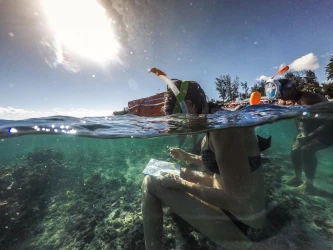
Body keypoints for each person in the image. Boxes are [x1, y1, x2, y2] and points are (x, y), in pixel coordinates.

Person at [142, 80, 266, 250]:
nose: (179, 128)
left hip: (243, 226)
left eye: (178, 120)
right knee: (166, 170)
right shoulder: (214, 121)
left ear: (189, 105)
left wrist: (181, 184)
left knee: (151, 182)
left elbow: (235, 200)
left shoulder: (223, 129)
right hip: (234, 209)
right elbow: (226, 167)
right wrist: (187, 157)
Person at [273, 79, 332, 192]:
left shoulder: (308, 100)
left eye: (280, 93)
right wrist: (302, 134)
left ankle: (309, 184)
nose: (279, 97)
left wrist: (309, 136)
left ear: (289, 89)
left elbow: (328, 122)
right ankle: (298, 177)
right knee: (294, 147)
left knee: (307, 149)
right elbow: (300, 121)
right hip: (314, 130)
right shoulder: (293, 101)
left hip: (329, 130)